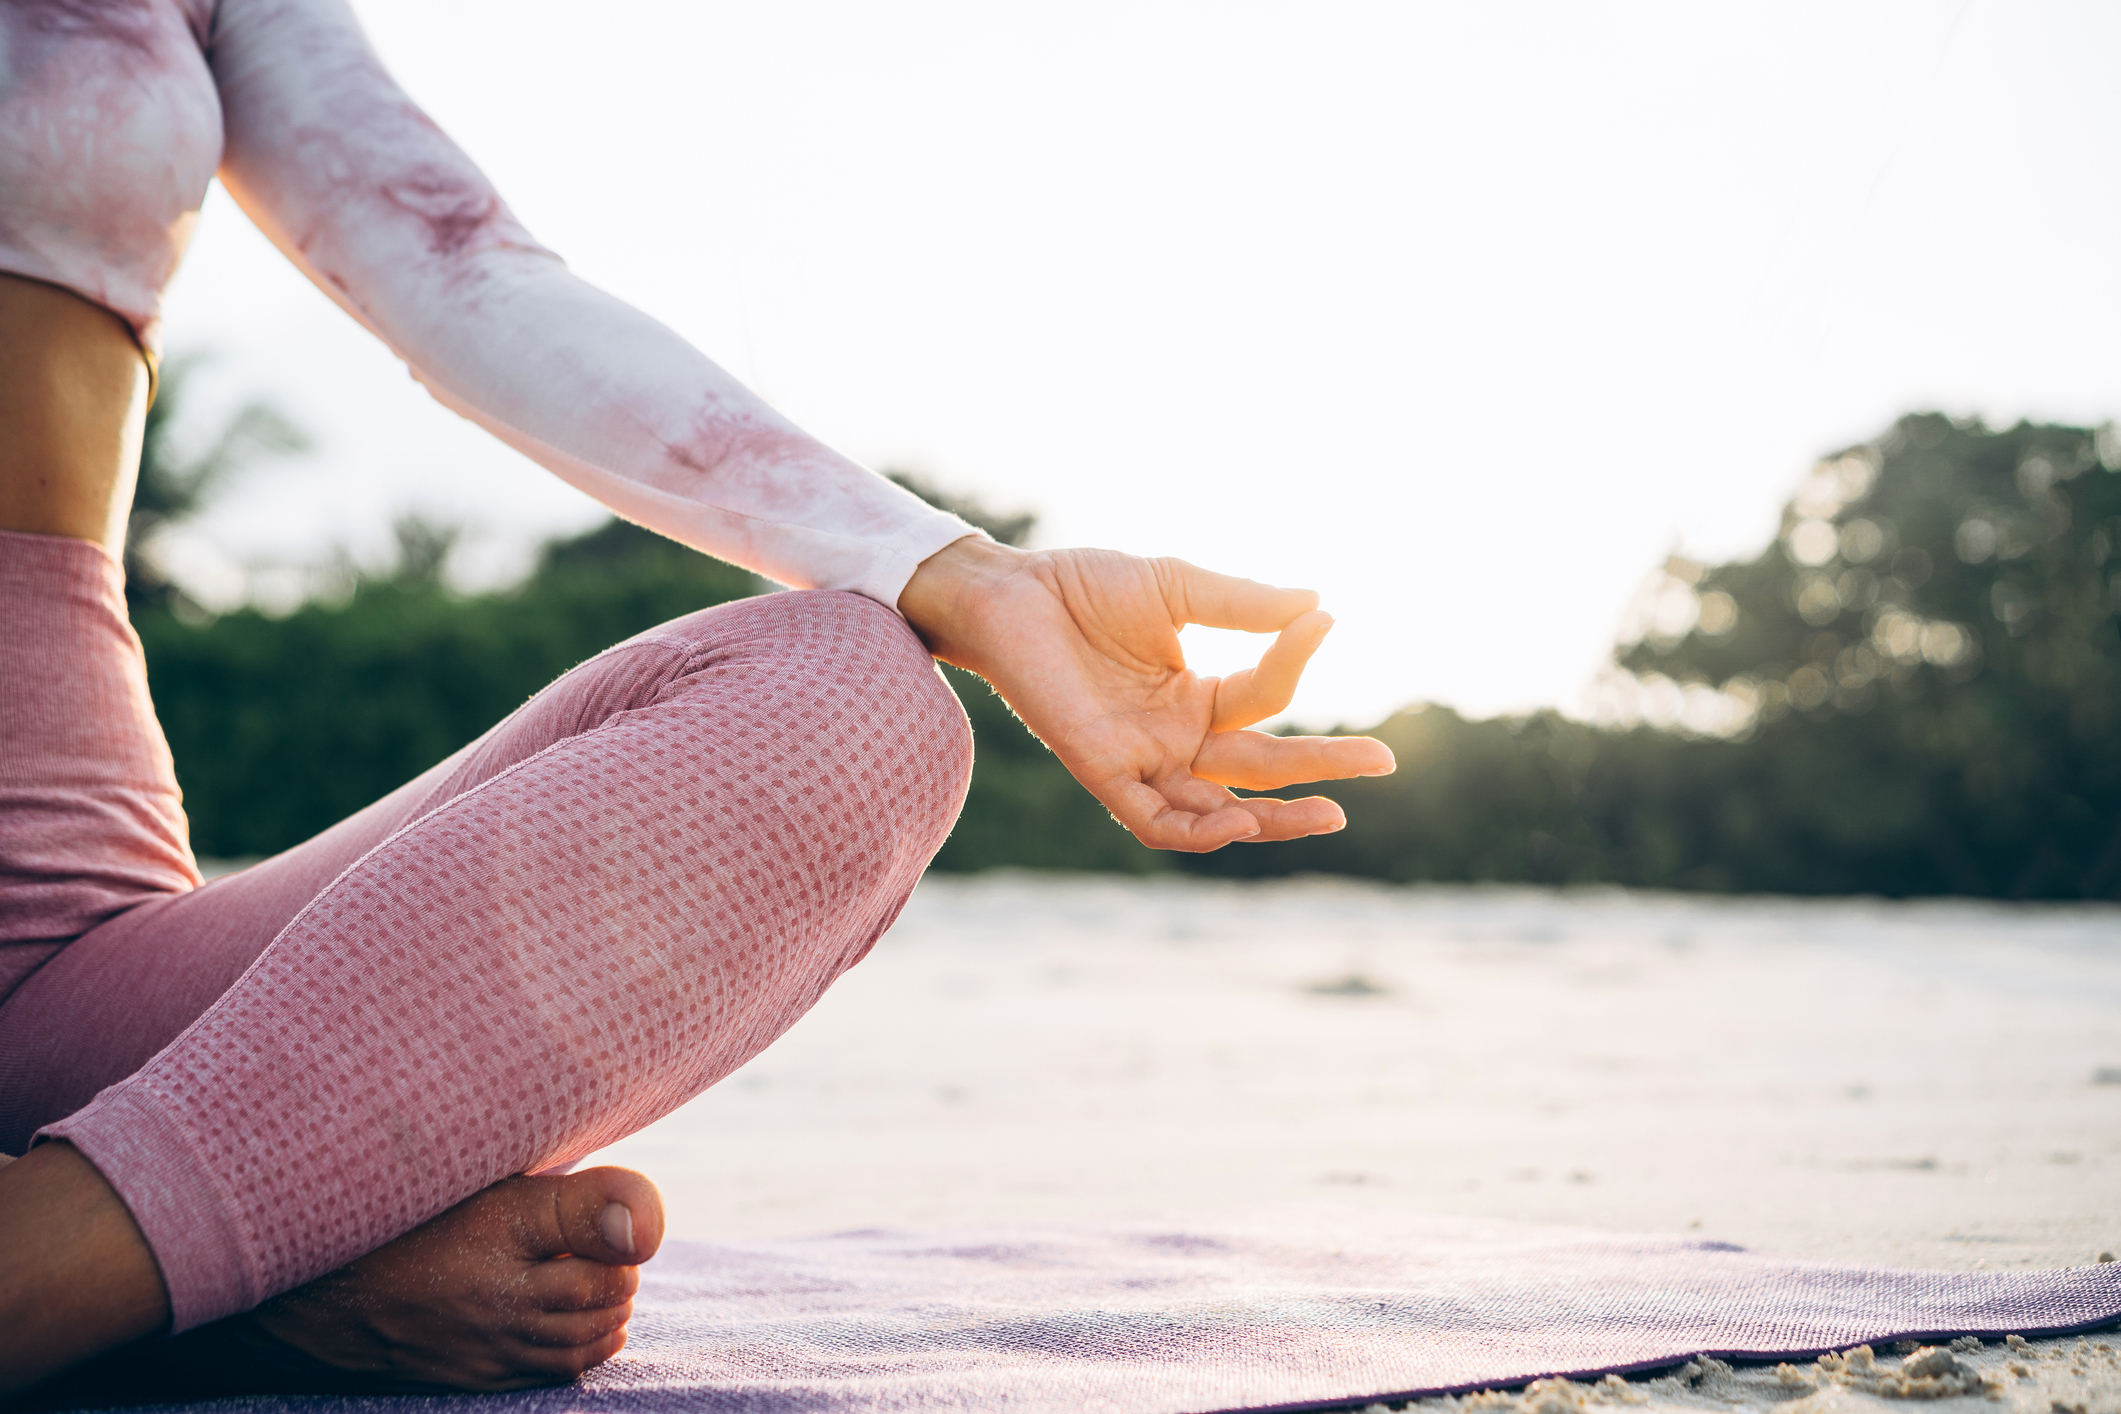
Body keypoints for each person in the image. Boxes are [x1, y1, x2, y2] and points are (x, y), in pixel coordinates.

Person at [0, 0, 1395, 1398]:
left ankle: (129, 1244)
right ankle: (220, 1276)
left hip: (66, 958)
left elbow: (458, 258)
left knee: (854, 703)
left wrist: (964, 577)